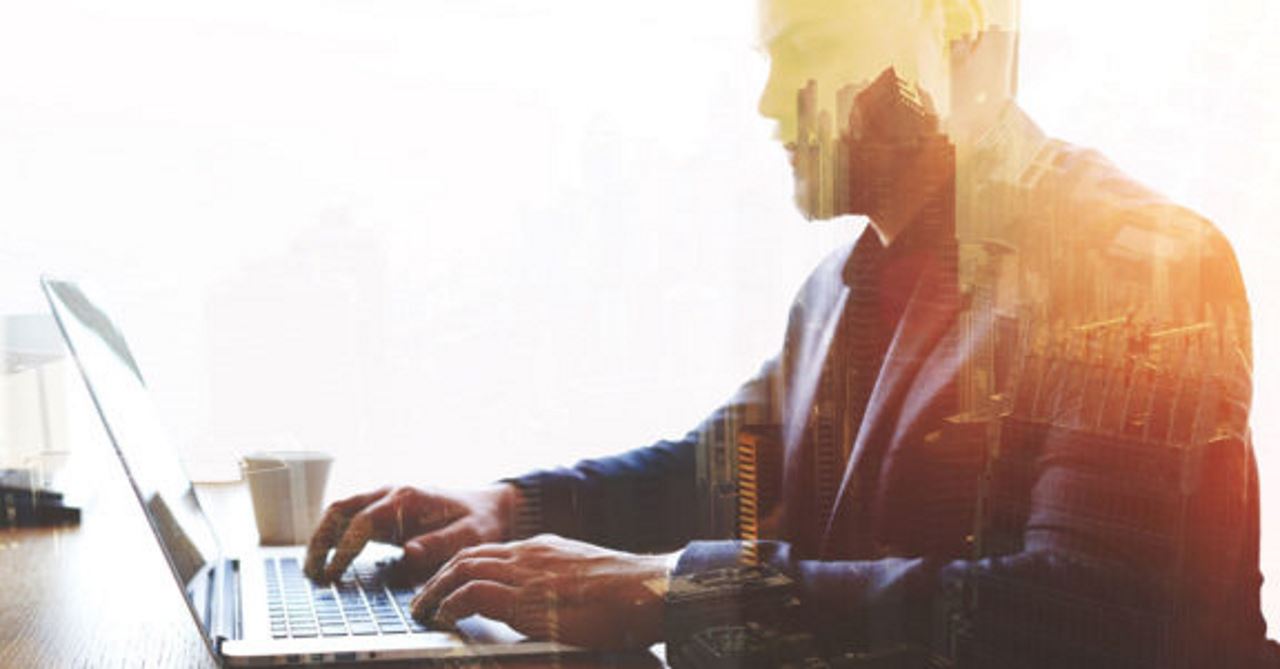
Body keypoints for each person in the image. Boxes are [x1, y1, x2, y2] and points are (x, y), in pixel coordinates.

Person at [305, 1, 1275, 665]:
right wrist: (509, 508)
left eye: (807, 48)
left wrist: (667, 593)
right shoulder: (841, 288)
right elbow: (721, 471)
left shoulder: (1137, 260)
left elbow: (1085, 617)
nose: (770, 104)